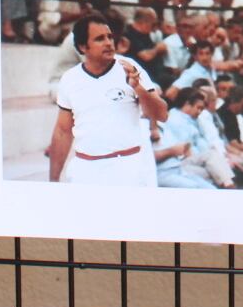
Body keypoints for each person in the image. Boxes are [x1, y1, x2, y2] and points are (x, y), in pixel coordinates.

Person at [48, 16, 167, 185]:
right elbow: (62, 131)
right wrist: (53, 180)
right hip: (85, 171)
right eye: (99, 39)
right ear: (83, 47)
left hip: (127, 168)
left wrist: (138, 88)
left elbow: (161, 115)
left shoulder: (131, 68)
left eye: (110, 37)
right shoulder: (69, 79)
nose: (108, 43)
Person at [153, 89, 220, 189]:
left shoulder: (163, 125)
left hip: (178, 168)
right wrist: (172, 151)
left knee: (211, 188)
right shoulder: (144, 127)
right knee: (195, 187)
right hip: (162, 172)